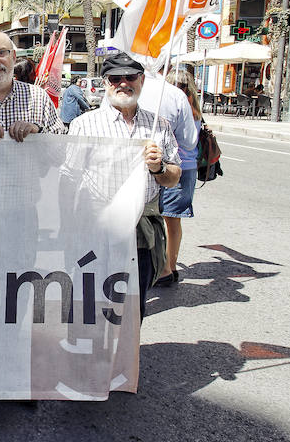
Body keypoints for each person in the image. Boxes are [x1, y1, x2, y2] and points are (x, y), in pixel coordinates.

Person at [68, 52, 181, 319]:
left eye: (130, 77)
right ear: (106, 83)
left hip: (141, 232)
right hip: (98, 230)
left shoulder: (159, 126)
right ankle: (94, 357)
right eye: (115, 78)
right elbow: (68, 179)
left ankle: (126, 360)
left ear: (141, 80)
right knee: (92, 301)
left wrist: (159, 167)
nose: (123, 83)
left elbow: (175, 176)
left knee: (134, 303)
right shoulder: (84, 125)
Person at [155, 69, 203, 286]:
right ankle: (169, 266)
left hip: (177, 166)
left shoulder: (179, 107)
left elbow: (187, 141)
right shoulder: (193, 109)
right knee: (171, 220)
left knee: (165, 218)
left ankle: (167, 268)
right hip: (184, 167)